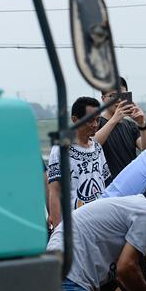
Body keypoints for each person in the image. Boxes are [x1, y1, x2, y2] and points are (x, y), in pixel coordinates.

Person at [47, 96, 111, 229]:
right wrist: (59, 231)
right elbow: (54, 191)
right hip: (75, 224)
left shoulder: (97, 147)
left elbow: (106, 184)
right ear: (75, 120)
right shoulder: (61, 149)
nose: (95, 125)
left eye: (97, 120)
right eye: (90, 120)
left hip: (100, 221)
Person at [96, 78, 146, 182]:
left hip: (130, 184)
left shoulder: (131, 126)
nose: (118, 100)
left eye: (122, 95)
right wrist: (114, 120)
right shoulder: (96, 124)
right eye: (113, 96)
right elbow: (93, 145)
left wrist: (142, 123)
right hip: (106, 188)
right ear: (103, 98)